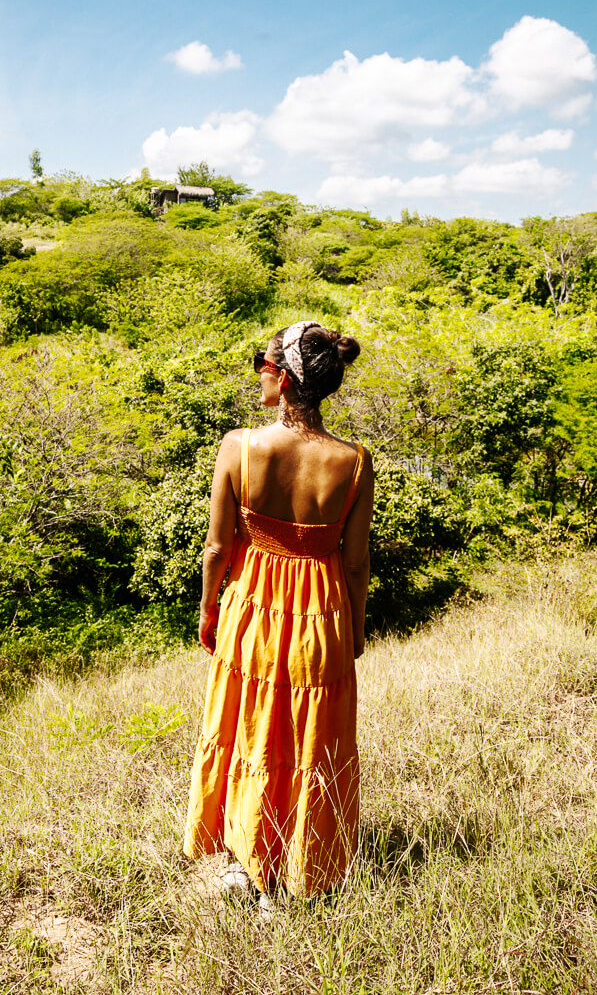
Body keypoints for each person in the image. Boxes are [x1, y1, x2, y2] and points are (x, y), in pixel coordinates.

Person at [183, 320, 374, 900]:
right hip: (323, 615)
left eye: (264, 367)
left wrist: (208, 611)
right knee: (310, 739)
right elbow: (357, 563)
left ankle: (244, 857)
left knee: (249, 727)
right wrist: (356, 631)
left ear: (284, 378)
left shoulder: (240, 447)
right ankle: (298, 870)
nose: (260, 377)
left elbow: (218, 548)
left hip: (253, 610)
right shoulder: (354, 461)